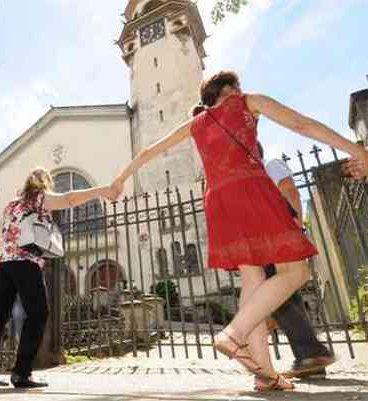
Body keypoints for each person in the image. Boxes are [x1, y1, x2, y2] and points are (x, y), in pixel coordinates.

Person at [111, 71, 368, 391]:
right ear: (230, 89)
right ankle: (235, 333)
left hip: (218, 200)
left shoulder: (196, 123)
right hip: (250, 189)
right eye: (238, 87)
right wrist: (355, 149)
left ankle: (264, 373)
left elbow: (149, 151)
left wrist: (118, 180)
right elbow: (301, 124)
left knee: (253, 279)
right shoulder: (247, 102)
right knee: (296, 272)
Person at [0, 168, 118, 388]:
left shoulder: (12, 204)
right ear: (44, 183)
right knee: (39, 312)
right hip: (25, 262)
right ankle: (22, 373)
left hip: (2, 264)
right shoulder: (39, 197)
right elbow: (70, 199)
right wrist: (102, 190)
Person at [257, 142, 335, 380]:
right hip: (267, 240)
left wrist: (296, 226)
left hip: (281, 236)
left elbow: (289, 189)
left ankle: (311, 353)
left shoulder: (271, 164)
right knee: (286, 295)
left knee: (279, 294)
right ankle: (311, 358)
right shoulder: (252, 179)